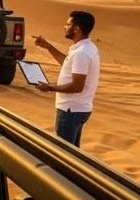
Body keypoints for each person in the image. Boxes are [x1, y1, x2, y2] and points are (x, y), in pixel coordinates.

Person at [33, 11, 100, 147]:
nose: (64, 27)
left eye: (68, 24)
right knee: (72, 152)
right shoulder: (85, 48)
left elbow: (77, 86)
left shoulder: (81, 53)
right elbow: (67, 63)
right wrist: (48, 47)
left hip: (70, 110)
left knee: (63, 153)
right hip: (76, 109)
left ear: (76, 29)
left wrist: (50, 87)